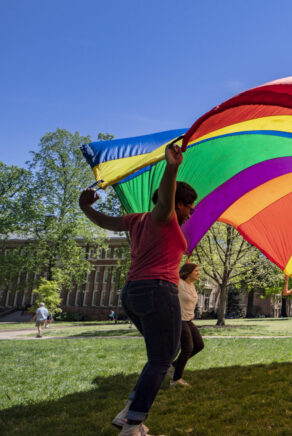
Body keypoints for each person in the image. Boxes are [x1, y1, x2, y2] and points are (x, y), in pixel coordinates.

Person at [80, 141, 196, 436]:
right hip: (158, 292)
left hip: (133, 292)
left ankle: (128, 414)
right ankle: (132, 425)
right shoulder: (164, 217)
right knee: (162, 358)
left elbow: (105, 221)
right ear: (176, 205)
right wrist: (172, 167)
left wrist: (84, 207)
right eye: (189, 205)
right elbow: (166, 202)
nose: (192, 211)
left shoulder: (136, 221)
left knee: (158, 356)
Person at [168, 262, 205, 387]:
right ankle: (176, 379)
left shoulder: (192, 285)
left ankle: (173, 366)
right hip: (179, 320)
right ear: (188, 272)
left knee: (199, 345)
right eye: (196, 271)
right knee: (187, 348)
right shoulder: (179, 283)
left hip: (189, 319)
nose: (198, 273)